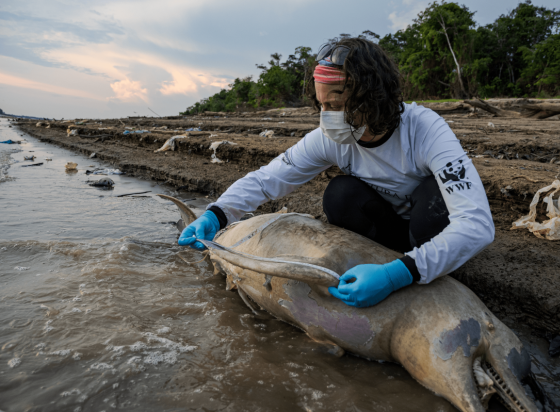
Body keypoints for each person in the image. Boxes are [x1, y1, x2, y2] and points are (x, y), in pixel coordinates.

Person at [179, 38, 494, 308]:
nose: (328, 118)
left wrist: (398, 274)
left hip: (427, 229)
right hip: (387, 231)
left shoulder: (426, 131)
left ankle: (416, 268)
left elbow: (477, 224)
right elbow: (269, 179)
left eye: (338, 104)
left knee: (435, 195)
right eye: (322, 106)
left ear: (373, 98)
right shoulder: (330, 138)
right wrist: (217, 214)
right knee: (340, 194)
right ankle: (382, 266)